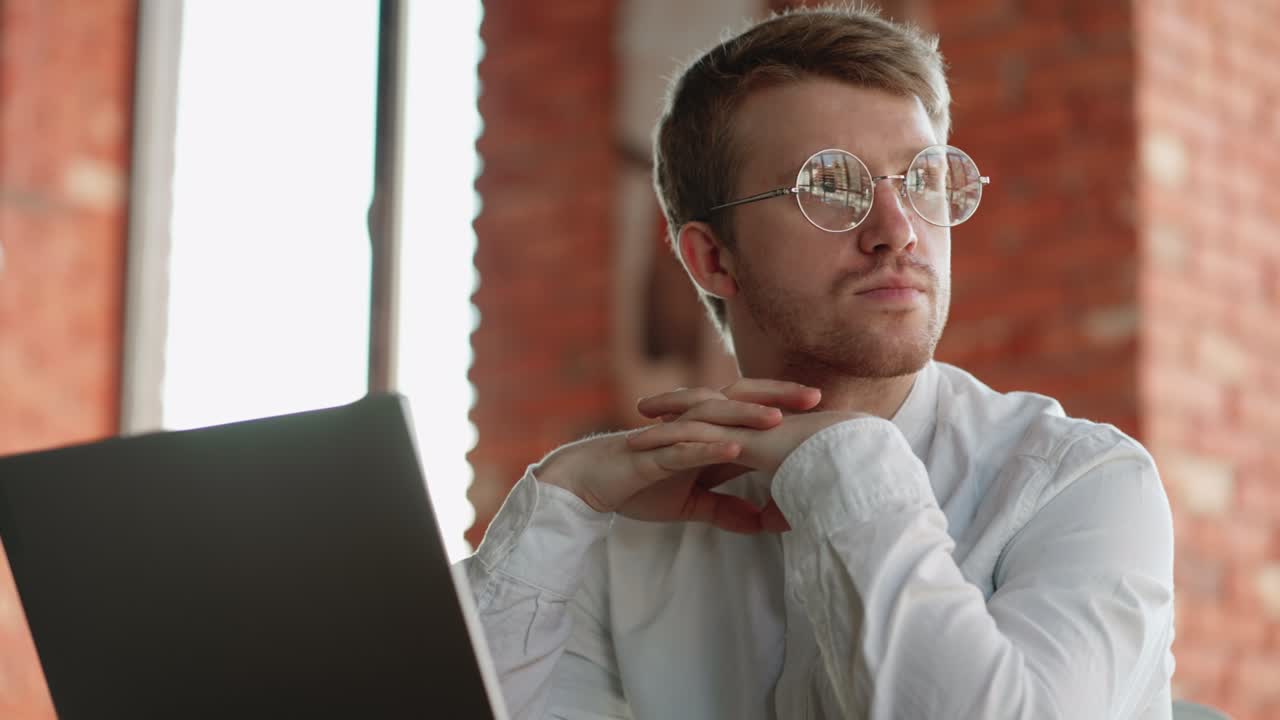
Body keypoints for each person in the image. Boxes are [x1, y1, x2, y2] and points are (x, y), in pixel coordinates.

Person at [459, 6, 1175, 719]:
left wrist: (841, 460)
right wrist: (559, 497)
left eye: (922, 179)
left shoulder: (1080, 486)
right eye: (830, 186)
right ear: (714, 259)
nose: (898, 232)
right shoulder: (618, 537)